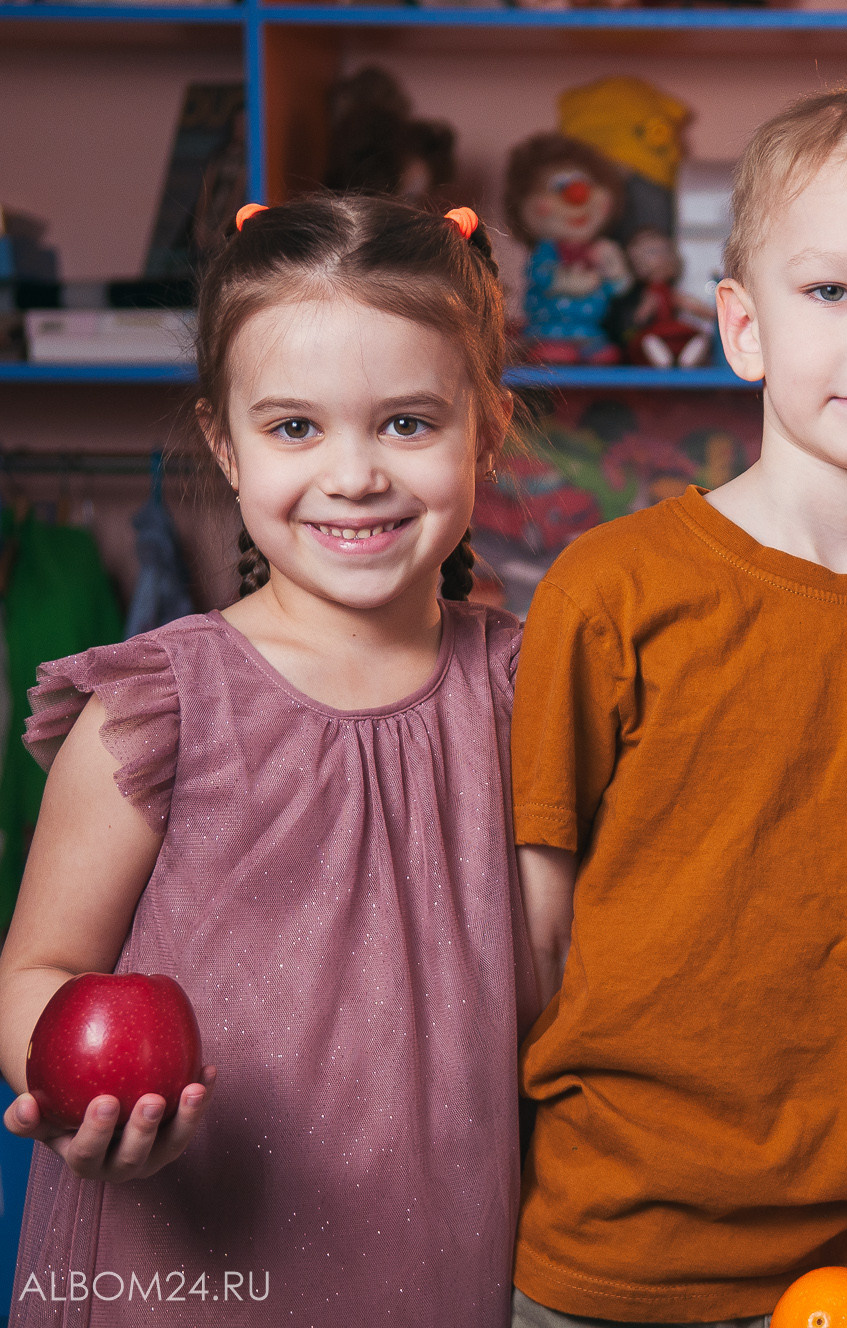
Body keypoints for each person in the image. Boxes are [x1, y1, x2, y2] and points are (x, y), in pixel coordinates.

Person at [507, 80, 847, 1328]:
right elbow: (524, 947)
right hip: (596, 1251)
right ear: (741, 328)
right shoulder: (614, 589)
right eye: (830, 290)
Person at [0, 195, 536, 1324]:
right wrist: (78, 1103)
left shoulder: (531, 693)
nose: (353, 474)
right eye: (296, 427)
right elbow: (39, 966)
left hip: (441, 1243)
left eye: (407, 423)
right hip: (184, 1258)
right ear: (224, 444)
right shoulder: (161, 706)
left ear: (484, 428)